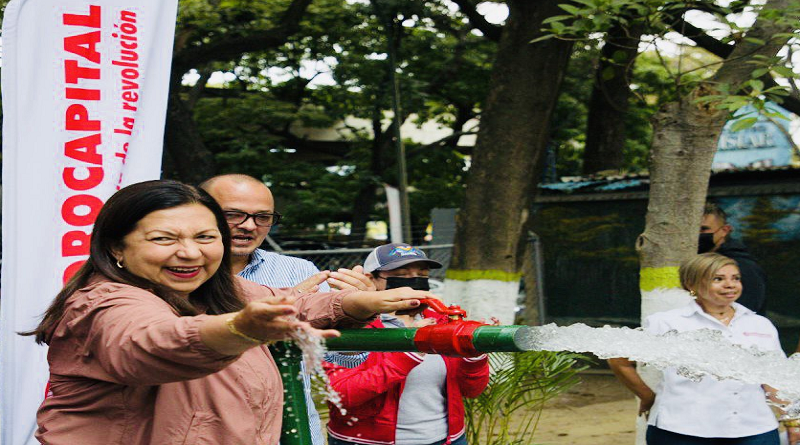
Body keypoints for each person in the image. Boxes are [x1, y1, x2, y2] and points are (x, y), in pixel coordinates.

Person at [24, 180, 433, 445]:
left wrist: (354, 303)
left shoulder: (211, 288)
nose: (190, 251)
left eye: (205, 237)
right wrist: (239, 329)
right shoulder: (105, 302)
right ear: (116, 247)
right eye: (164, 238)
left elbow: (290, 301)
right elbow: (148, 343)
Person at [200, 173, 375, 445]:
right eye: (234, 214)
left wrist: (356, 313)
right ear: (200, 212)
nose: (249, 226)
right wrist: (288, 307)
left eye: (262, 217)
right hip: (207, 430)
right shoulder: (178, 271)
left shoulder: (297, 270)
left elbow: (346, 357)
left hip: (291, 429)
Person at [609, 253, 796, 445]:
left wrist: (792, 422)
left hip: (754, 430)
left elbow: (774, 379)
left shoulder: (759, 324)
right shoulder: (666, 323)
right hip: (682, 430)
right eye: (718, 279)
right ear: (692, 284)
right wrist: (647, 397)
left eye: (736, 278)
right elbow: (619, 359)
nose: (730, 285)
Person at [324, 243, 491, 445]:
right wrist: (409, 351)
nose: (413, 283)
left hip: (448, 440)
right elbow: (339, 395)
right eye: (402, 275)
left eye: (422, 274)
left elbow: (471, 390)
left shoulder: (443, 321)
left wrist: (474, 355)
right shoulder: (349, 325)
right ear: (370, 279)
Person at [700, 202, 767, 314]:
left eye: (703, 229)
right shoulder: (696, 262)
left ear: (724, 230)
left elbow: (746, 311)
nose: (698, 234)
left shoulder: (743, 267)